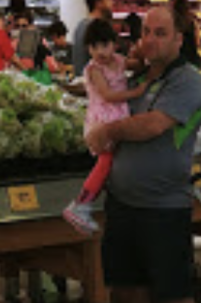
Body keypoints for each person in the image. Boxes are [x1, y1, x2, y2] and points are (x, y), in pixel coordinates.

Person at [87, 5, 201, 303]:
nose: (150, 40)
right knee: (127, 297)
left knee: (176, 302)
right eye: (145, 33)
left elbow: (153, 125)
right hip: (123, 207)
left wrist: (107, 131)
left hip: (163, 210)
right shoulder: (136, 78)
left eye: (160, 33)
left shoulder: (188, 80)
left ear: (178, 40)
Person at [63, 19, 149, 235]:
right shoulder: (93, 69)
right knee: (106, 160)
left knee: (116, 161)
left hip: (118, 118)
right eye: (94, 47)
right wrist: (136, 92)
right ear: (87, 49)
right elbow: (108, 95)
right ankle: (81, 203)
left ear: (115, 44)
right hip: (103, 120)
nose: (100, 52)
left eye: (105, 45)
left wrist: (141, 53)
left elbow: (137, 65)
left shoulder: (119, 61)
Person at [72, 0, 113, 77]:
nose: (112, 2)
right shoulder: (98, 27)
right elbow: (105, 58)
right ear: (98, 3)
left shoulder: (80, 25)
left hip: (81, 79)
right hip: (94, 82)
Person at [172, 0, 201, 69]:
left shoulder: (173, 23)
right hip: (192, 59)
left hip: (177, 61)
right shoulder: (192, 22)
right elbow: (197, 42)